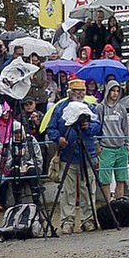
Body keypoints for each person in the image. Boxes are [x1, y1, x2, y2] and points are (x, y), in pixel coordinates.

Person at [45, 79, 102, 234]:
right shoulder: (60, 108)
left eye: (82, 91)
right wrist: (59, 138)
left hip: (87, 153)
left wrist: (88, 127)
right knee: (67, 191)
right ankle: (67, 221)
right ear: (70, 92)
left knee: (88, 189)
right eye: (77, 91)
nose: (80, 93)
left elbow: (98, 127)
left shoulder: (90, 108)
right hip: (67, 154)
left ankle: (88, 220)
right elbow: (51, 128)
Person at [96, 80, 129, 201]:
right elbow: (96, 127)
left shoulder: (122, 108)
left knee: (121, 178)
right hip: (106, 148)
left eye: (117, 91)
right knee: (105, 179)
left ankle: (119, 202)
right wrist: (97, 144)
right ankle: (108, 203)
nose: (115, 93)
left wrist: (127, 144)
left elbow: (126, 128)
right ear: (108, 91)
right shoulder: (100, 108)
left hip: (121, 147)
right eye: (113, 90)